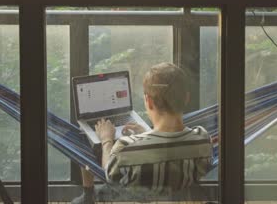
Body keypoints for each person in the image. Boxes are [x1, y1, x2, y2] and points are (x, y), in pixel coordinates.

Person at [72, 63, 212, 204]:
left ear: (149, 102)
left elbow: (109, 173)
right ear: (186, 98)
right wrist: (147, 134)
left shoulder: (126, 148)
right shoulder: (203, 139)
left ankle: (87, 195)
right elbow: (169, 151)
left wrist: (106, 139)